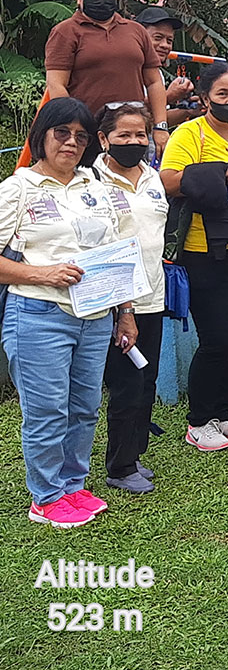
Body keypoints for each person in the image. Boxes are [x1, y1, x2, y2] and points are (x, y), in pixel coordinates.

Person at [0, 97, 138, 527]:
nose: (72, 142)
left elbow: (119, 256)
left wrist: (126, 313)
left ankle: (74, 487)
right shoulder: (18, 188)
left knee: (85, 407)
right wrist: (43, 274)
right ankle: (45, 497)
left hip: (96, 317)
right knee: (47, 411)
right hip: (38, 314)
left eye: (80, 136)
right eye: (62, 132)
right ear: (41, 135)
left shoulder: (96, 187)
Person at [159, 64, 228, 452]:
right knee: (217, 337)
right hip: (206, 251)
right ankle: (199, 420)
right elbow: (169, 180)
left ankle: (225, 412)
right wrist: (221, 173)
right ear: (205, 98)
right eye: (223, 94)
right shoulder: (190, 133)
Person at [94, 102, 168, 494]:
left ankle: (135, 454)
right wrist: (123, 307)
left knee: (147, 378)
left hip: (152, 295)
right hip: (115, 303)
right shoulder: (92, 182)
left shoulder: (152, 177)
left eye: (140, 134)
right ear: (104, 139)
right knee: (125, 383)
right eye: (123, 135)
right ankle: (119, 467)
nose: (133, 142)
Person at [44, 0, 170, 155]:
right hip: (87, 131)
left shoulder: (135, 30)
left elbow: (154, 82)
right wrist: (73, 128)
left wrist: (161, 126)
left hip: (132, 131)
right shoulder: (66, 31)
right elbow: (56, 85)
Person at [135, 6, 195, 129]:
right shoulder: (126, 68)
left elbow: (156, 120)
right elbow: (128, 111)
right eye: (158, 38)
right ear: (138, 36)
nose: (165, 45)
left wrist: (190, 110)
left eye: (169, 40)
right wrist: (168, 96)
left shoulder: (157, 74)